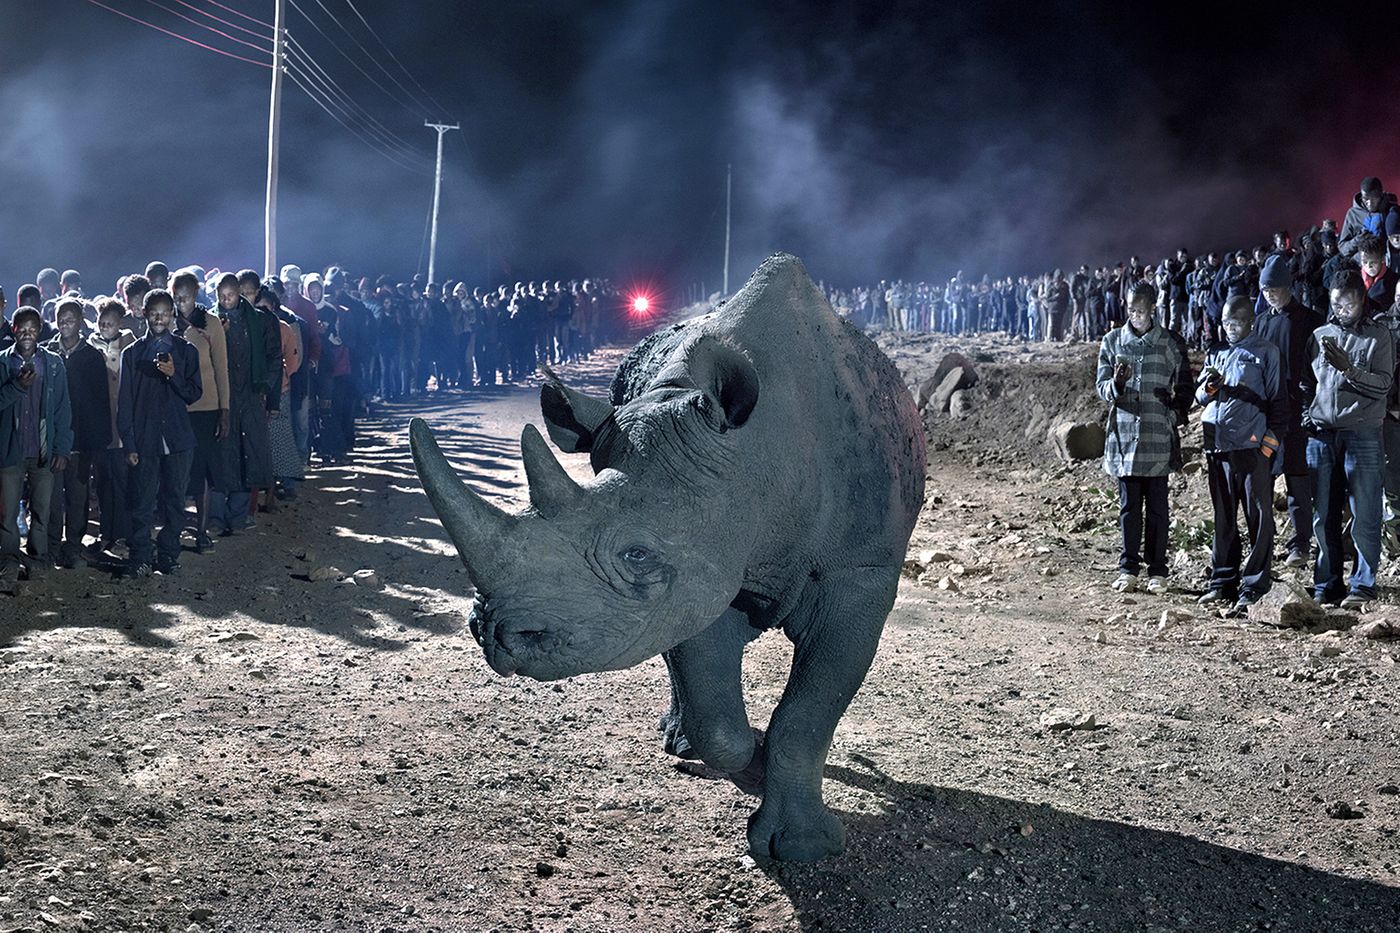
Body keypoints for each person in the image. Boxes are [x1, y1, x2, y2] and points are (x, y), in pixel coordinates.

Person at [1301, 269, 1395, 608]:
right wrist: (1306, 415)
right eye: (1336, 304)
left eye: (1349, 304)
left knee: (1365, 510)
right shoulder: (1319, 334)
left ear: (1362, 301)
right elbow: (1306, 382)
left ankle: (1363, 585)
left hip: (1363, 434)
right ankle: (1326, 583)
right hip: (1322, 436)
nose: (1342, 310)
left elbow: (1383, 384)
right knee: (1323, 513)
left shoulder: (1378, 337)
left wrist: (1348, 369)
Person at [1096, 282, 1192, 594]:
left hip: (1156, 436)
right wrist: (1116, 385)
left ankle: (1158, 570)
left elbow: (1185, 388)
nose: (1136, 316)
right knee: (1129, 508)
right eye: (1132, 310)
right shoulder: (1112, 342)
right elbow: (1101, 388)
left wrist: (1174, 415)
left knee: (1158, 509)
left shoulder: (1170, 344)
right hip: (1124, 438)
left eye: (1142, 310)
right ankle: (1128, 568)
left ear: (1153, 307)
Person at [1195, 297, 1284, 611]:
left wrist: (1267, 449)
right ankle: (1223, 582)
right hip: (1217, 447)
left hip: (1251, 449)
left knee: (1258, 518)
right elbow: (1198, 396)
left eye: (1236, 323)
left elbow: (1279, 404)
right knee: (1223, 517)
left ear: (1251, 323)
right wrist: (1208, 388)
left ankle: (1255, 585)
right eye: (1225, 323)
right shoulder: (1216, 352)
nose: (1230, 329)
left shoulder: (1265, 353)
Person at [117, 290, 201, 577]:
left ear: (173, 315)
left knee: (175, 500)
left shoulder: (187, 351)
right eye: (154, 312)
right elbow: (125, 402)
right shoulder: (132, 354)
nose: (159, 318)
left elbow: (193, 394)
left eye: (165, 313)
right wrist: (129, 443)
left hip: (178, 440)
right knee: (142, 502)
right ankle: (140, 556)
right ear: (144, 314)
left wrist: (173, 373)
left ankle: (167, 553)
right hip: (145, 440)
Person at [1255, 254, 1326, 568]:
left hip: (1297, 417)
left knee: (1298, 481)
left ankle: (1300, 546)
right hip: (1268, 418)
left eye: (1276, 288)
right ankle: (1263, 544)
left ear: (1289, 287)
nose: (1270, 294)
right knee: (1263, 482)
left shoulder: (1310, 321)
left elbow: (1319, 370)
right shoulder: (1261, 322)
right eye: (1266, 289)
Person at [0, 307, 73, 591]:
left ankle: (37, 561)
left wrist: (62, 449)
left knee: (41, 511)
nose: (27, 334)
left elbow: (63, 409)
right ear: (13, 330)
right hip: (10, 452)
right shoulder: (3, 363)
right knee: (6, 516)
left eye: (33, 329)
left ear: (40, 331)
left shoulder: (53, 364)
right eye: (22, 329)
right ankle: (7, 563)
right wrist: (17, 386)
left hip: (42, 452)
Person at [209, 273, 280, 535]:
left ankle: (238, 516)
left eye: (230, 295)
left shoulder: (260, 320)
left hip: (249, 395)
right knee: (219, 456)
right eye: (221, 296)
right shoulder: (210, 321)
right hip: (220, 398)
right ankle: (215, 517)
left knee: (245, 455)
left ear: (239, 293)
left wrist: (265, 386)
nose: (226, 300)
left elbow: (274, 356)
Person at [44, 299, 111, 568]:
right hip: (51, 439)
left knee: (77, 494)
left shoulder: (92, 357)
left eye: (71, 318)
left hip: (81, 439)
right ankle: (50, 546)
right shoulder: (47, 354)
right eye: (61, 318)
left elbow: (100, 402)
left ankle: (72, 545)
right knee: (50, 496)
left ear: (81, 321)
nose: (65, 323)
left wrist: (98, 440)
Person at [172, 270, 230, 553]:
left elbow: (221, 368)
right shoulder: (168, 325)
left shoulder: (211, 324)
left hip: (206, 407)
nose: (180, 303)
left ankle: (202, 530)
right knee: (178, 471)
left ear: (195, 296)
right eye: (176, 298)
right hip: (176, 408)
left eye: (184, 298)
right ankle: (176, 526)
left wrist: (225, 409)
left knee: (203, 473)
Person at [88, 299, 136, 555]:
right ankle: (107, 533)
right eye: (102, 323)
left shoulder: (130, 344)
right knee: (104, 482)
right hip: (102, 426)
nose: (105, 327)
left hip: (123, 425)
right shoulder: (91, 346)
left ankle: (124, 533)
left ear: (120, 323)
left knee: (123, 481)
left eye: (111, 323)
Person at [253, 286, 304, 505]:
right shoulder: (250, 327)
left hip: (279, 390)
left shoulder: (283, 328)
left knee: (280, 438)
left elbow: (293, 362)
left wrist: (280, 378)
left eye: (266, 307)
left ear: (273, 308)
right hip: (256, 392)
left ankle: (286, 483)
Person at [1339, 177, 1398, 258]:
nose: (1369, 203)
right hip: (1361, 265)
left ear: (1381, 195)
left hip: (1389, 263)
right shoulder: (1353, 214)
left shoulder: (1393, 211)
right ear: (1361, 197)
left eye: (1374, 198)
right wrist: (1358, 240)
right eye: (1366, 199)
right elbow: (1343, 249)